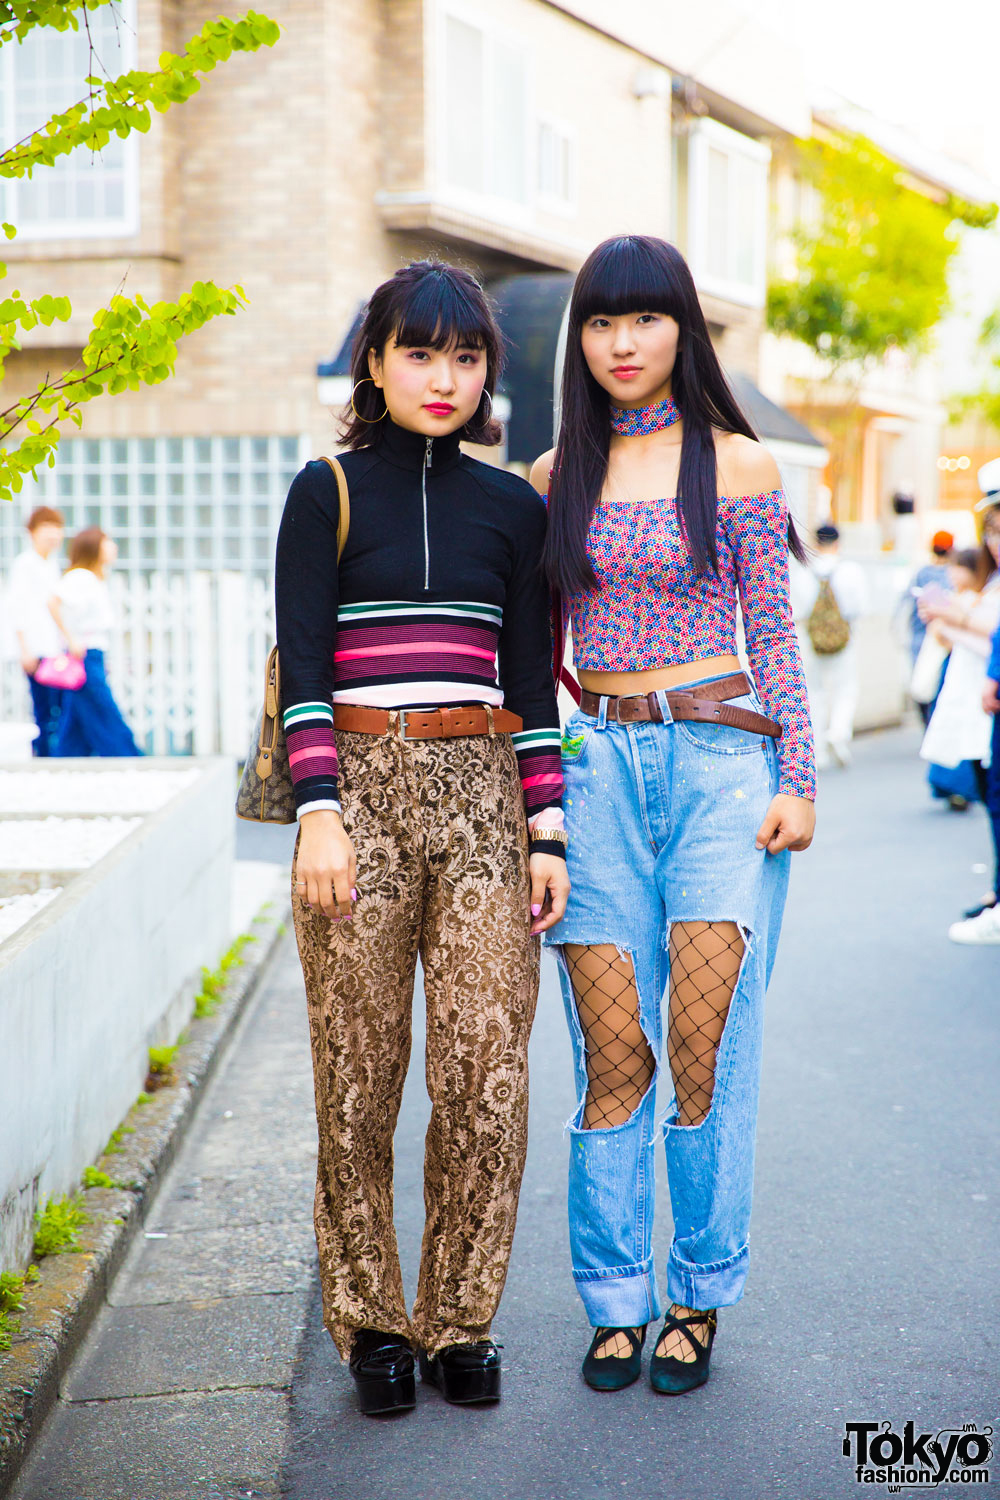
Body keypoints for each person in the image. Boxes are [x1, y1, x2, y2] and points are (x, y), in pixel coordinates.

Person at [275, 261, 569, 1416]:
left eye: (464, 357)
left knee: (487, 1069)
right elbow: (303, 662)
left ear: (487, 370)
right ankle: (372, 1326)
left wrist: (547, 829)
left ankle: (459, 1319)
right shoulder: (326, 490)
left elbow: (534, 684)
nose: (442, 378)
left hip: (484, 797)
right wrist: (318, 815)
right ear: (375, 361)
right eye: (418, 353)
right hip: (355, 791)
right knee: (358, 1077)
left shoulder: (516, 509)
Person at [531, 234, 815, 1397]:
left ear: (681, 330)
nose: (622, 343)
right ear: (581, 339)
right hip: (594, 771)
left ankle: (697, 1288)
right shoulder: (550, 479)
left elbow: (774, 632)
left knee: (700, 1047)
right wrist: (533, 799)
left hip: (718, 771)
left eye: (644, 320)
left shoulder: (737, 464)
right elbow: (525, 653)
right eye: (601, 323)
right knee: (614, 1056)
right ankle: (613, 1299)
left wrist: (798, 777)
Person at [920, 500, 1000, 943]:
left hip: (985, 705)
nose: (995, 542)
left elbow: (993, 638)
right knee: (992, 798)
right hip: (980, 707)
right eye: (991, 531)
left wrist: (953, 618)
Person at [49, 528, 142, 757]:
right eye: (107, 542)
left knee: (78, 716)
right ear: (94, 547)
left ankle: (65, 759)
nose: (113, 547)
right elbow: (53, 602)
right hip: (84, 654)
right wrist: (71, 640)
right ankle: (129, 757)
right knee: (103, 708)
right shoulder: (81, 577)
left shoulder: (93, 578)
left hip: (92, 653)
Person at [790, 522, 868, 768]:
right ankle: (838, 732)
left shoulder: (802, 569)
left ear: (815, 543)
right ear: (838, 543)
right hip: (843, 639)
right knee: (846, 688)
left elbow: (793, 607)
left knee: (814, 692)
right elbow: (860, 608)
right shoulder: (850, 570)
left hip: (808, 638)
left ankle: (818, 750)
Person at [922, 550, 984, 811]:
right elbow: (942, 639)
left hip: (977, 674)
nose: (952, 574)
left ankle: (962, 789)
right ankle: (951, 787)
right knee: (951, 722)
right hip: (955, 668)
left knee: (965, 727)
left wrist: (950, 624)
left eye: (958, 568)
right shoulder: (957, 598)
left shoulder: (978, 601)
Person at [6, 505, 66, 755]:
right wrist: (24, 650)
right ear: (31, 532)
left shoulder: (51, 564)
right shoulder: (25, 565)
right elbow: (16, 609)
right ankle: (43, 756)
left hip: (54, 649)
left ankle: (52, 754)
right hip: (36, 648)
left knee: (57, 707)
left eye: (57, 529)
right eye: (46, 528)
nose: (53, 535)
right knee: (44, 707)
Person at [903, 530, 954, 726]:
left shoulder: (921, 573)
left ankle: (928, 726)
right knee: (938, 685)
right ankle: (934, 726)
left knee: (921, 684)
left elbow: (906, 604)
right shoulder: (952, 573)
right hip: (942, 641)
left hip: (919, 638)